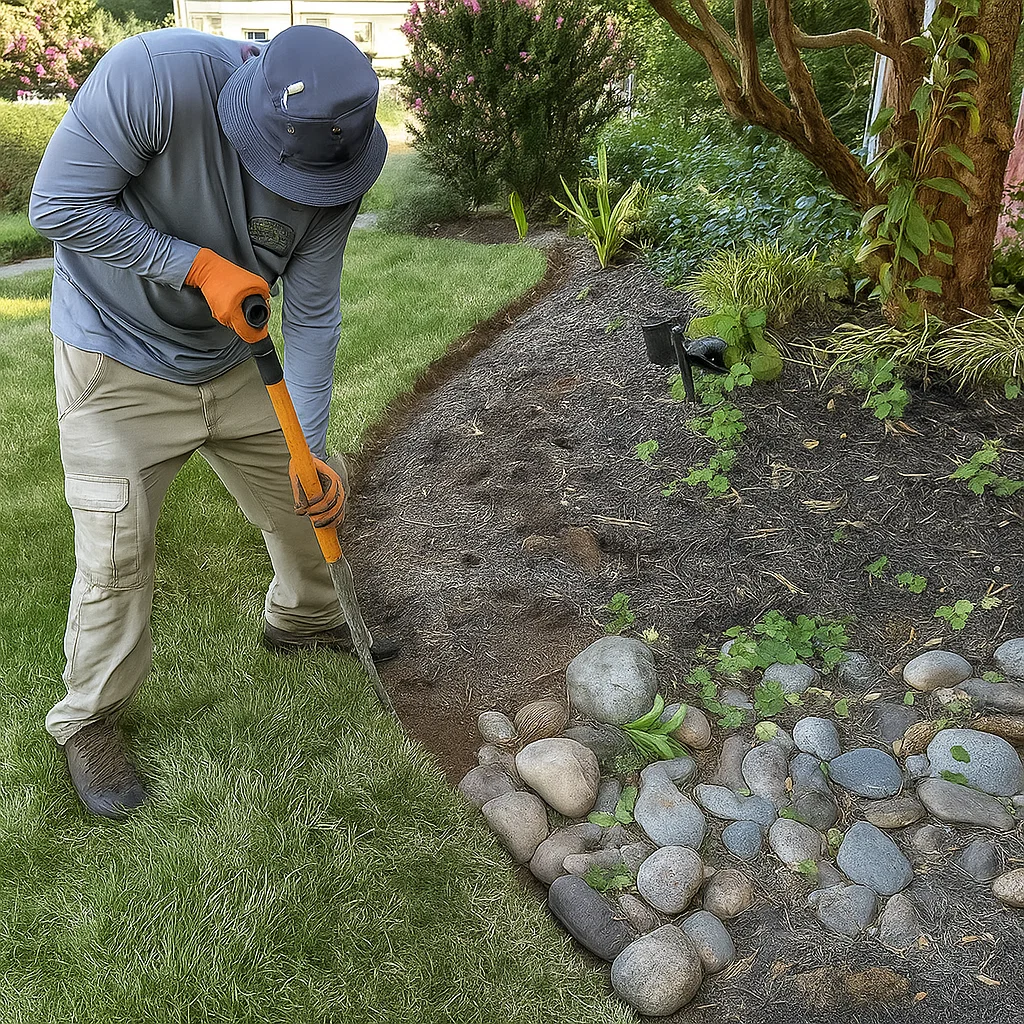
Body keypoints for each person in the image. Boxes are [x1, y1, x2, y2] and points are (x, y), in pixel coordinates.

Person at [29, 24, 397, 822]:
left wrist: (307, 446)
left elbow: (315, 312)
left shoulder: (341, 162)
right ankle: (89, 719)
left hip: (234, 359)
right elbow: (56, 205)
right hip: (116, 352)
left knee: (310, 494)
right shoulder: (155, 79)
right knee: (117, 548)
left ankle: (305, 619)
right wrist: (194, 265)